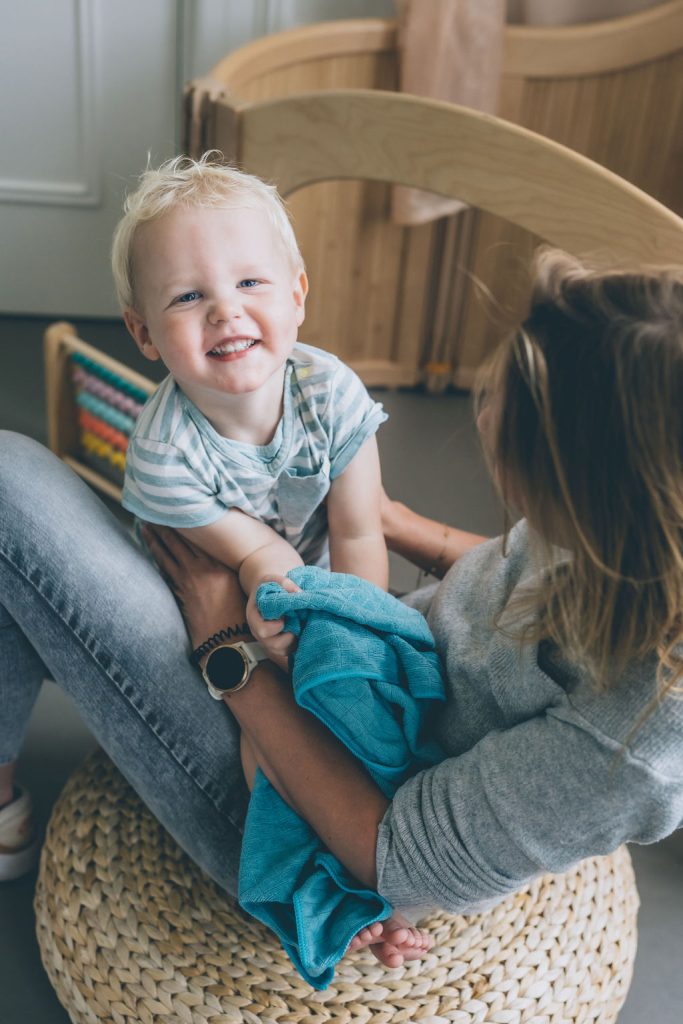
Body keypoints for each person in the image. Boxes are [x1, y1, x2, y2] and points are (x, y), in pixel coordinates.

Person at [1, 248, 683, 971]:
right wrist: (386, 517)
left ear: (583, 484)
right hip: (376, 680)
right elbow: (524, 569)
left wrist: (225, 649)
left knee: (10, 489)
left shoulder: (631, 745)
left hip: (320, 813)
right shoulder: (640, 542)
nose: (483, 411)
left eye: (499, 402)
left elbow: (385, 855)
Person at [112, 153, 388, 655]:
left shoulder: (335, 395)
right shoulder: (164, 456)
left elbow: (360, 536)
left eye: (249, 282)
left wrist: (359, 640)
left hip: (313, 575)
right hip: (195, 613)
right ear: (144, 332)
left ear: (297, 295)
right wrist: (287, 622)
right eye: (188, 296)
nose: (226, 310)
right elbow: (259, 552)